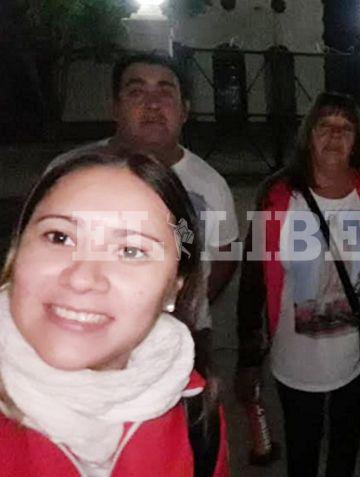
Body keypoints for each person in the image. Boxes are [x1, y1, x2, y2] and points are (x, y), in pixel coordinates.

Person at [0, 152, 229, 476]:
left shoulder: (196, 412)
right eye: (59, 237)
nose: (81, 278)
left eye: (131, 251)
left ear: (173, 287)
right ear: (16, 252)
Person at [52, 53, 239, 362]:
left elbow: (225, 253)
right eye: (136, 91)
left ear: (184, 111)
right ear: (114, 108)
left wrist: (193, 300)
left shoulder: (209, 185)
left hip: (183, 337)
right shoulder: (68, 175)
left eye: (166, 92)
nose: (152, 104)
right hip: (87, 336)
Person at [235, 92, 360, 477]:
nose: (334, 136)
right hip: (294, 357)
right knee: (302, 449)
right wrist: (249, 354)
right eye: (324, 126)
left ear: (358, 139)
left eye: (345, 128)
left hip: (357, 357)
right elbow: (252, 279)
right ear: (308, 135)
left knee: (345, 449)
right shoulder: (279, 195)